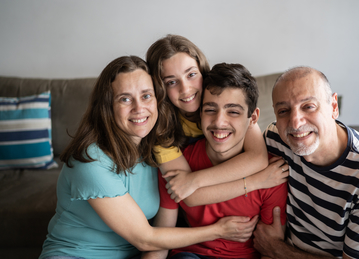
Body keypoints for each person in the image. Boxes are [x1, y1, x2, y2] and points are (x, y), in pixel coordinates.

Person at [39, 56, 258, 259]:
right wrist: (218, 231)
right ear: (107, 106)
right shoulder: (90, 161)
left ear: (157, 101)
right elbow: (145, 239)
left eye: (146, 96)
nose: (139, 108)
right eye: (125, 99)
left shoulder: (157, 149)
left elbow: (236, 121)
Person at [253, 66, 359, 259]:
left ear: (334, 107)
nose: (295, 123)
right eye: (283, 111)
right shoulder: (276, 139)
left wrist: (276, 249)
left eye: (308, 106)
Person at [147, 63, 288, 259]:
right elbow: (160, 240)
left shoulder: (272, 175)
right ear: (200, 113)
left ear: (253, 117)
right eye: (210, 109)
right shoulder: (178, 164)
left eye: (233, 112)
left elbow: (271, 249)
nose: (219, 122)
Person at [146, 35, 286, 205]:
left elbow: (257, 158)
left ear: (202, 71)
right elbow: (188, 195)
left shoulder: (226, 96)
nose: (185, 89)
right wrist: (256, 182)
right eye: (171, 82)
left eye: (191, 74)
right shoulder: (162, 130)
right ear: (159, 87)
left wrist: (195, 180)